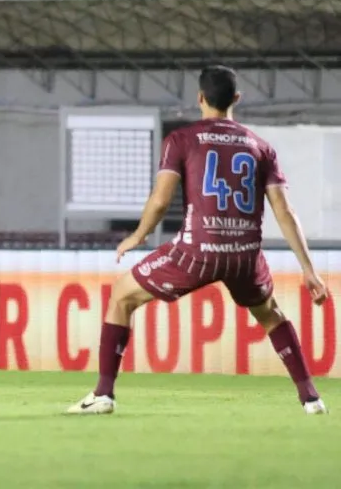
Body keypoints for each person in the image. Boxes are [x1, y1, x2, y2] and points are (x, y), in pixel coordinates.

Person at [67, 65, 330, 415]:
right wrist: (308, 269)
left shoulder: (182, 139)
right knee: (272, 316)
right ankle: (311, 398)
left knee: (121, 295)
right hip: (245, 256)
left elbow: (161, 200)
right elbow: (284, 210)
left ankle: (102, 394)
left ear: (200, 98)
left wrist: (138, 236)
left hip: (197, 250)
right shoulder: (260, 147)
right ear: (236, 99)